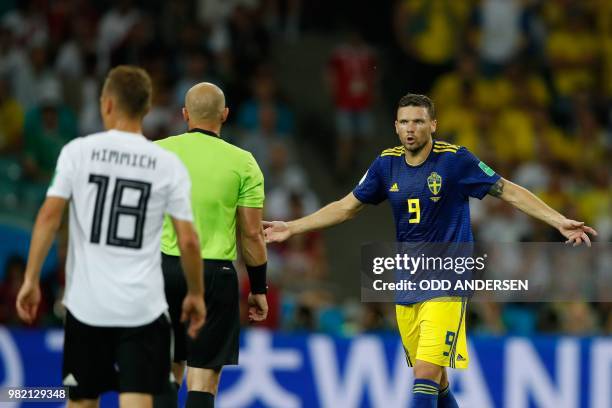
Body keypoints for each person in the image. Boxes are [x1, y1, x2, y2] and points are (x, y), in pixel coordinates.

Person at [264, 94, 597, 408]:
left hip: (448, 282)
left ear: (433, 125)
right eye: (404, 122)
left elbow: (506, 190)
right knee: (436, 382)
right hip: (408, 282)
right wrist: (293, 227)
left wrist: (558, 220)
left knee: (424, 374)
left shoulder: (455, 160)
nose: (411, 129)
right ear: (395, 126)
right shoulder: (385, 165)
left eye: (418, 122)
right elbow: (346, 207)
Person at [15, 65, 206, 408]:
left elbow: (48, 216)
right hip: (142, 310)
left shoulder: (77, 152)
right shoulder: (166, 163)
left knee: (83, 401)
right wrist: (195, 293)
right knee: (138, 400)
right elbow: (189, 241)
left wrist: (30, 279)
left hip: (87, 306)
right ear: (147, 109)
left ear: (106, 104)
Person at [155, 82, 268, 408]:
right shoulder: (244, 162)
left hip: (164, 268)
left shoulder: (157, 153)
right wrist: (258, 287)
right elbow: (251, 234)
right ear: (225, 115)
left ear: (185, 114)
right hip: (214, 275)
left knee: (166, 369)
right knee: (203, 377)